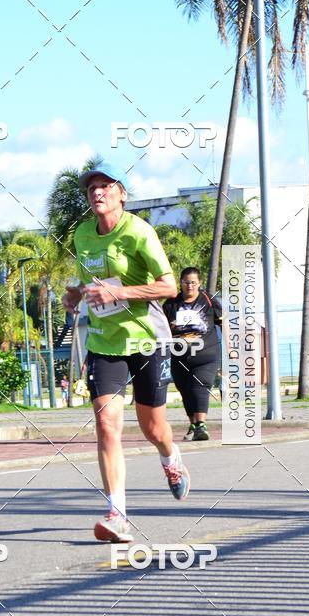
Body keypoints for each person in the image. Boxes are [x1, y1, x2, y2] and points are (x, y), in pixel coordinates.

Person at [62, 161, 191, 545]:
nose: (97, 193)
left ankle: (170, 457)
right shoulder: (83, 234)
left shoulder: (139, 232)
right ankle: (117, 513)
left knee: (153, 428)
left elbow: (168, 286)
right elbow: (90, 281)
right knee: (106, 425)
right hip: (105, 343)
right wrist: (75, 293)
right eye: (91, 189)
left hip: (147, 339)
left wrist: (120, 292)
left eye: (105, 186)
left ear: (121, 193)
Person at [163, 267, 222, 441]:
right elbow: (162, 328)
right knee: (185, 390)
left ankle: (201, 424)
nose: (190, 286)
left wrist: (232, 348)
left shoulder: (208, 300)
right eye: (186, 282)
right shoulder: (170, 303)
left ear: (200, 283)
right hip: (178, 355)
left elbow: (222, 323)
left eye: (193, 283)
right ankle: (194, 425)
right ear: (180, 283)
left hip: (206, 354)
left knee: (200, 385)